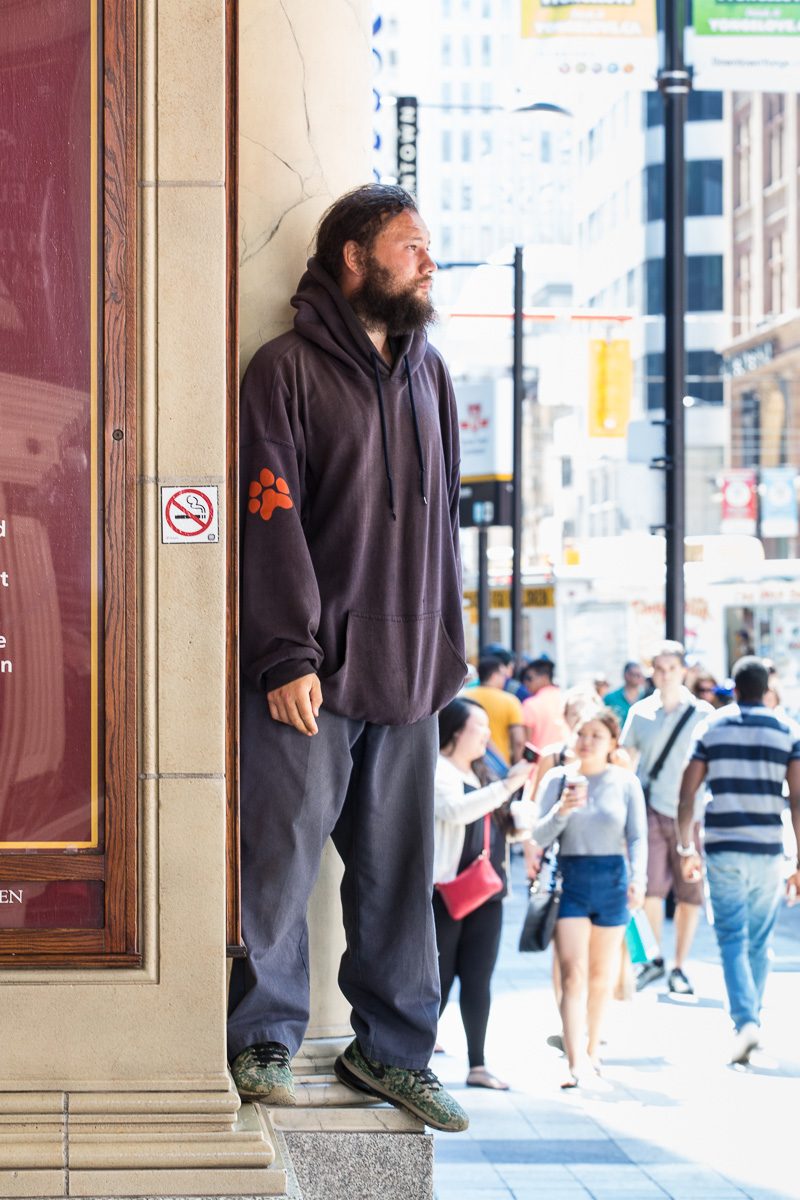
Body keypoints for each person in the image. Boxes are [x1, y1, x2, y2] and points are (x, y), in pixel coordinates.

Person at [227, 184, 470, 1133]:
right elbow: (270, 516)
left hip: (412, 676)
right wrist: (285, 653)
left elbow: (444, 527)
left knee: (399, 872)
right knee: (276, 858)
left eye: (428, 245)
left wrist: (449, 650)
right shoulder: (282, 371)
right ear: (354, 257)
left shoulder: (432, 376)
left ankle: (394, 1051)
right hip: (310, 676)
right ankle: (262, 1036)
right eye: (411, 246)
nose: (428, 262)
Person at [677, 656, 800, 1065]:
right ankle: (751, 1020)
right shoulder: (787, 729)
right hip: (767, 846)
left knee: (731, 935)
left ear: (735, 686)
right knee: (760, 938)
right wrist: (798, 858)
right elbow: (797, 798)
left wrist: (685, 847)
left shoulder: (712, 725)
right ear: (765, 688)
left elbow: (687, 792)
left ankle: (745, 1021)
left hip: (723, 844)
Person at [534, 709, 647, 1087]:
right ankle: (574, 1060)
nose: (586, 741)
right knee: (573, 973)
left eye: (596, 735)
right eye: (581, 733)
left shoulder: (625, 782)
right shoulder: (559, 778)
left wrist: (639, 880)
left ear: (612, 742)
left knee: (602, 976)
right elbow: (538, 835)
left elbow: (637, 837)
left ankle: (593, 1049)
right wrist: (562, 810)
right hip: (571, 879)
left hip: (613, 878)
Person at [434, 698, 533, 1090]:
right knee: (437, 981)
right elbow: (454, 812)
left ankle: (478, 1064)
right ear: (456, 729)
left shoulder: (484, 773)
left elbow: (507, 829)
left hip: (487, 892)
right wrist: (508, 785)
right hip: (446, 891)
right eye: (480, 726)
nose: (488, 734)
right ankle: (412, 1060)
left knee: (478, 979)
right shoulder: (439, 770)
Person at [620, 641, 714, 994]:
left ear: (683, 671)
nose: (663, 674)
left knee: (690, 894)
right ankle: (654, 959)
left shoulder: (704, 713)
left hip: (694, 816)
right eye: (657, 668)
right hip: (652, 810)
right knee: (651, 891)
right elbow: (627, 765)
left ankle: (679, 966)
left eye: (670, 668)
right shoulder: (640, 713)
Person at [468, 655, 527, 765]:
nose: (505, 679)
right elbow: (519, 741)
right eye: (503, 675)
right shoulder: (510, 701)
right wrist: (517, 767)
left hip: (467, 762)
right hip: (499, 766)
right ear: (494, 676)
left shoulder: (463, 697)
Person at [521, 658, 568, 752]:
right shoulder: (566, 699)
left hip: (539, 764)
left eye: (529, 678)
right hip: (565, 761)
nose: (526, 683)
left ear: (544, 678)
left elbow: (527, 744)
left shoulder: (530, 704)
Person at [604, 661, 645, 727]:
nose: (640, 678)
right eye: (636, 675)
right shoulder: (610, 698)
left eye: (641, 675)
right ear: (626, 675)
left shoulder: (646, 697)